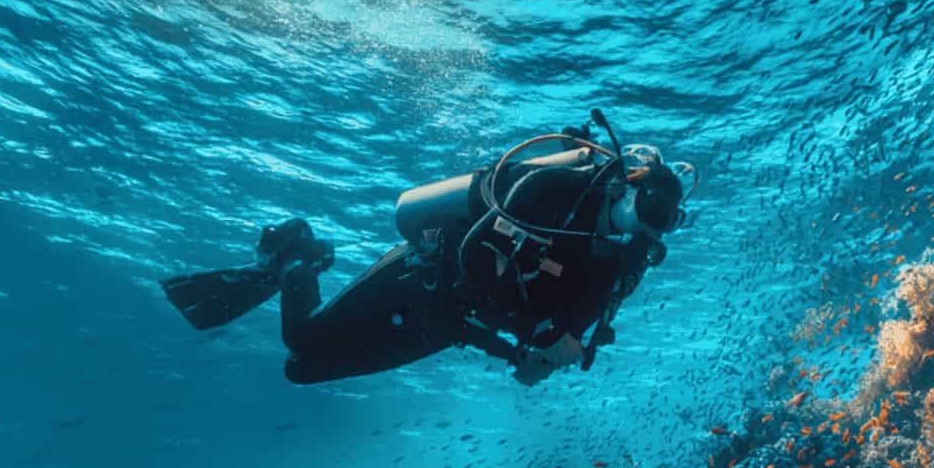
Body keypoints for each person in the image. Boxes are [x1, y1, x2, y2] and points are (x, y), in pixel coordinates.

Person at [162, 111, 696, 386]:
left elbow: (560, 331)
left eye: (665, 220)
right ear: (628, 184)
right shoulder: (551, 190)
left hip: (448, 323)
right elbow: (476, 254)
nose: (648, 224)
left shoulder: (620, 265)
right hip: (424, 274)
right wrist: (542, 335)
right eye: (648, 204)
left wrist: (532, 355)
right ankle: (300, 256)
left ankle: (295, 267)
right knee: (300, 343)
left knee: (302, 370)